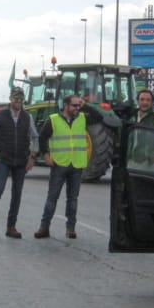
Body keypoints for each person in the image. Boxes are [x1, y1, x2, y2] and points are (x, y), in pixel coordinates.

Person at [0, 87, 38, 238]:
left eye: (21, 99)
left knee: (17, 194)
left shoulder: (28, 117)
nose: (18, 101)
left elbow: (35, 137)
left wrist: (32, 157)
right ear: (11, 99)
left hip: (21, 161)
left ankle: (11, 226)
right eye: (16, 98)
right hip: (3, 159)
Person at [34, 93, 89, 239]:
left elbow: (101, 118)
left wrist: (85, 104)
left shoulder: (82, 118)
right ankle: (44, 227)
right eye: (74, 105)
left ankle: (70, 229)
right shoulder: (53, 120)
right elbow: (42, 138)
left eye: (79, 105)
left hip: (76, 164)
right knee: (52, 197)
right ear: (66, 105)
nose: (77, 108)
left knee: (73, 199)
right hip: (59, 164)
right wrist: (45, 156)